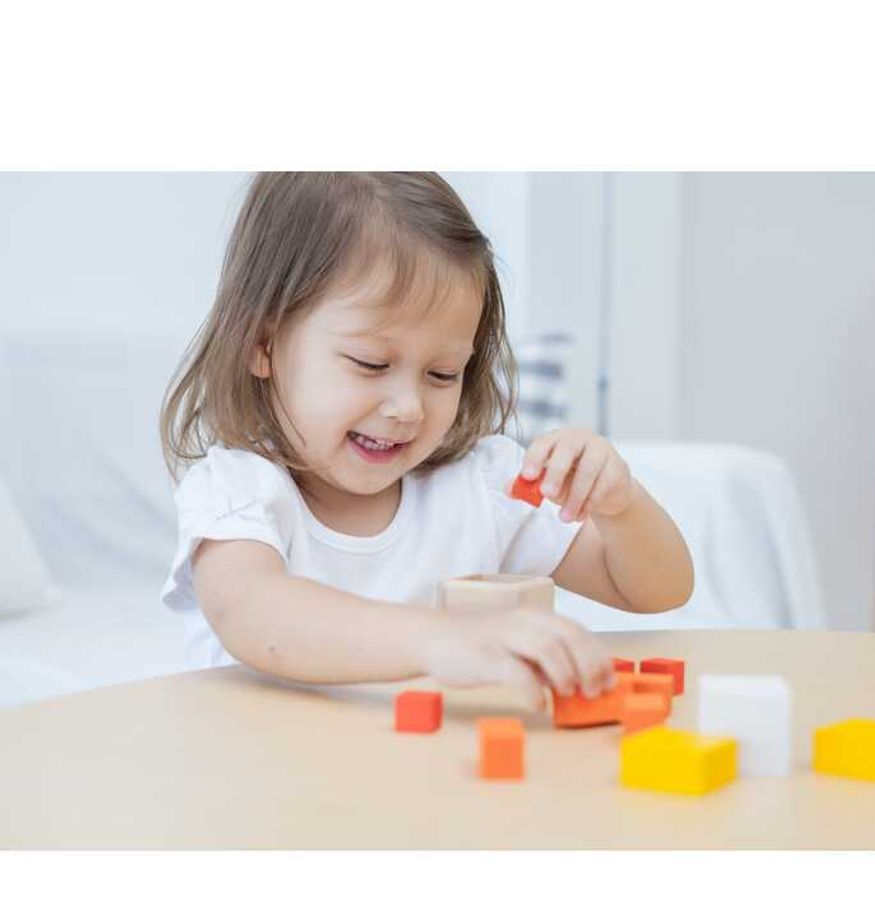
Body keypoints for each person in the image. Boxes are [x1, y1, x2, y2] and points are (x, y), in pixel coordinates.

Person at [159, 172, 694, 711]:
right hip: (264, 782)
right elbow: (258, 617)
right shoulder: (239, 491)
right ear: (264, 345)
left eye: (442, 375)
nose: (409, 407)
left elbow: (656, 590)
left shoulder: (483, 487)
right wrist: (441, 639)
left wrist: (620, 506)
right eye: (371, 364)